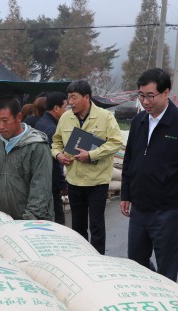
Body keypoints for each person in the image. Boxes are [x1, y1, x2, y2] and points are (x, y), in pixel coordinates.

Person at [120, 68, 178, 282]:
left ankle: (167, 302)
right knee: (136, 262)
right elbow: (130, 159)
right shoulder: (139, 122)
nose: (145, 101)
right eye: (141, 96)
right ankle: (148, 294)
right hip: (139, 208)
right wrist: (125, 193)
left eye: (150, 96)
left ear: (166, 93)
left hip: (167, 210)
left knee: (166, 266)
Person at [51, 80, 124, 254]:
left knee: (97, 225)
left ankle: (98, 259)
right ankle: (81, 258)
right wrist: (58, 155)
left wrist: (91, 155)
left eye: (74, 97)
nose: (70, 102)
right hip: (74, 180)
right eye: (68, 98)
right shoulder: (65, 118)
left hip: (97, 181)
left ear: (86, 97)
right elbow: (56, 141)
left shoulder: (105, 117)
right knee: (77, 225)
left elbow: (116, 142)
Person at [0, 96, 53, 220]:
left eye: (5, 120)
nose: (0, 126)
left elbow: (40, 190)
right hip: (3, 221)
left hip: (33, 223)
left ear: (19, 117)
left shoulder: (36, 146)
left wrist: (28, 222)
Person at [34, 92, 68, 224]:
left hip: (40, 179)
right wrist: (62, 184)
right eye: (65, 107)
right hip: (50, 182)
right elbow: (54, 160)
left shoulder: (40, 123)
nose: (67, 111)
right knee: (57, 219)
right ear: (56, 108)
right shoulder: (52, 129)